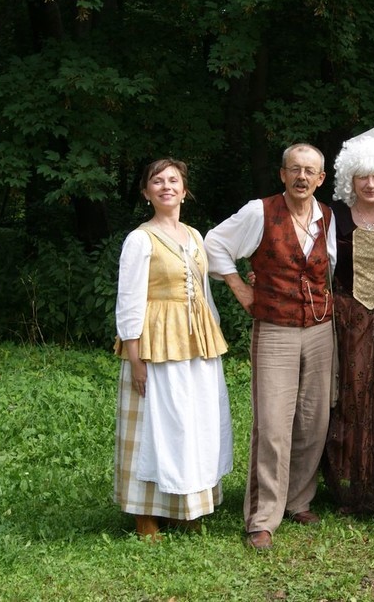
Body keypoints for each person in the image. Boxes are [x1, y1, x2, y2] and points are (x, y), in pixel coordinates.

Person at [204, 143, 337, 551]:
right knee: (273, 423)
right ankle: (262, 517)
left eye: (309, 171)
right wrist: (239, 285)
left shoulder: (327, 216)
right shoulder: (258, 212)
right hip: (276, 328)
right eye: (294, 169)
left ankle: (298, 500)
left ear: (321, 179)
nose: (301, 177)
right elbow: (213, 243)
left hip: (321, 328)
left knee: (314, 420)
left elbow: (330, 268)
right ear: (282, 174)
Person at [113, 158, 233, 541]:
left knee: (191, 422)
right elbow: (129, 300)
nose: (166, 186)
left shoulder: (195, 236)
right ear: (146, 192)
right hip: (156, 341)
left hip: (197, 340)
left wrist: (211, 333)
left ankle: (184, 507)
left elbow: (204, 291)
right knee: (157, 424)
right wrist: (135, 356)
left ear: (184, 190)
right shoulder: (140, 240)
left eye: (173, 180)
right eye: (157, 181)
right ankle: (145, 513)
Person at [321, 135, 374, 520]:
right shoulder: (333, 215)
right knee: (349, 395)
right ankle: (348, 481)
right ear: (349, 179)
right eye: (362, 177)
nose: (370, 184)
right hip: (346, 317)